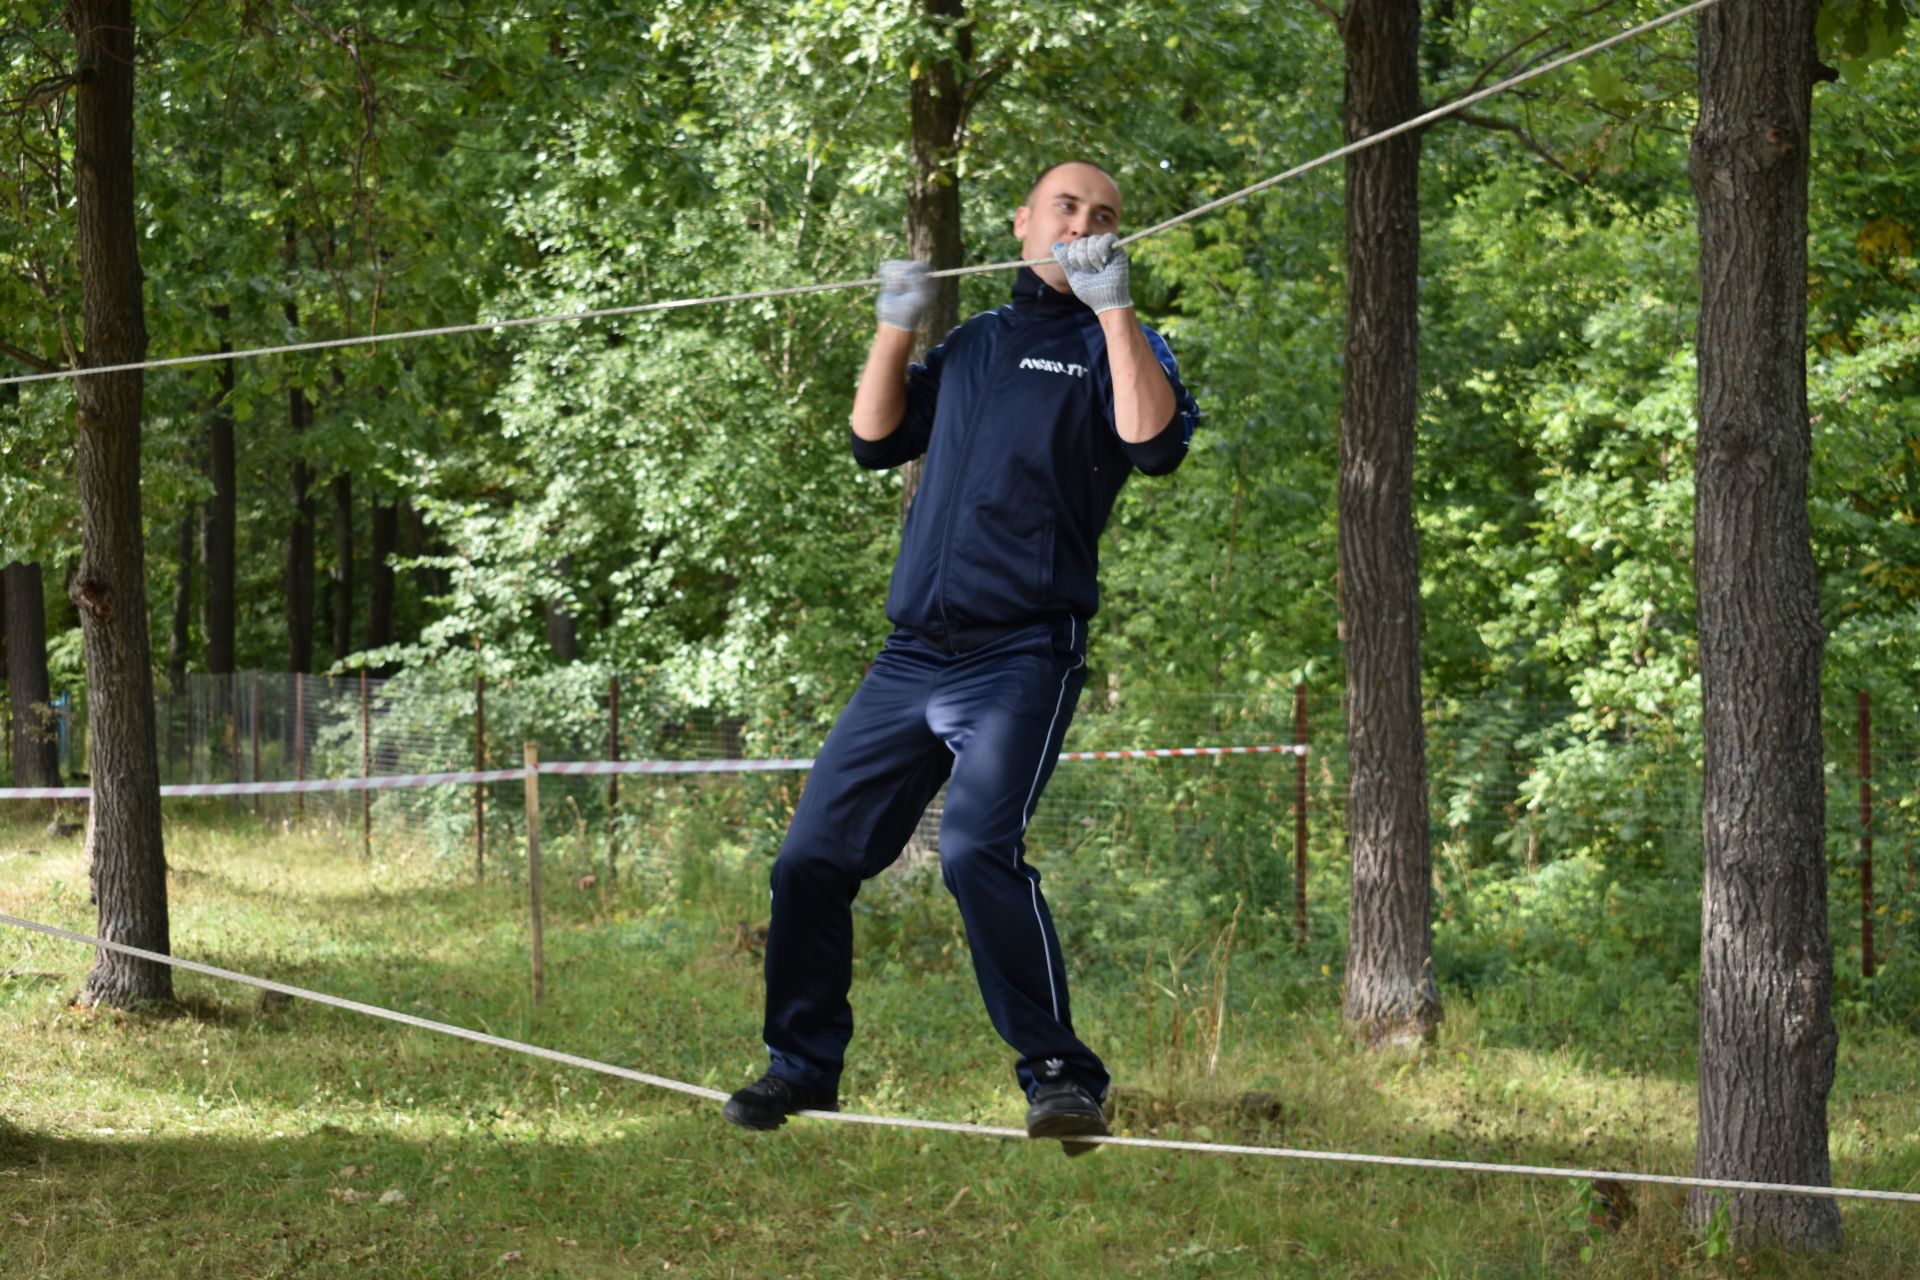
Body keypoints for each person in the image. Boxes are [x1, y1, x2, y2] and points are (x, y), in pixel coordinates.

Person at [723, 161, 1200, 1152]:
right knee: (809, 859)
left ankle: (1060, 1073)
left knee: (979, 848)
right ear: (1024, 222)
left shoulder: (1125, 344)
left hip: (1022, 654)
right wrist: (896, 321)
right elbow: (872, 438)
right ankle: (804, 1066)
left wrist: (1116, 313)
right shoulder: (977, 343)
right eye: (1067, 206)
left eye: (1105, 216)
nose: (1085, 223)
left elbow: (1153, 445)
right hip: (912, 656)